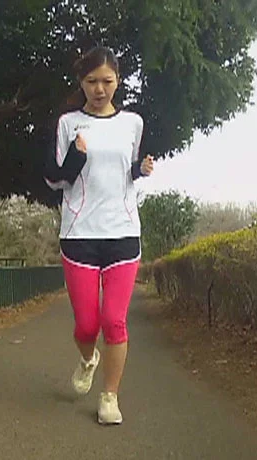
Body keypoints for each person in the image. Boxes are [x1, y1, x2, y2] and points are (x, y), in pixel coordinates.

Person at [43, 46, 154, 426]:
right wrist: (76, 158)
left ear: (118, 81)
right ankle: (88, 358)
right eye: (92, 81)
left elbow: (124, 170)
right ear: (81, 82)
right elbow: (54, 179)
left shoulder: (133, 123)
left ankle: (110, 397)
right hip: (79, 235)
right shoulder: (68, 123)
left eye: (107, 81)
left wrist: (140, 170)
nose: (100, 89)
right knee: (87, 326)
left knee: (114, 320)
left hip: (123, 232)